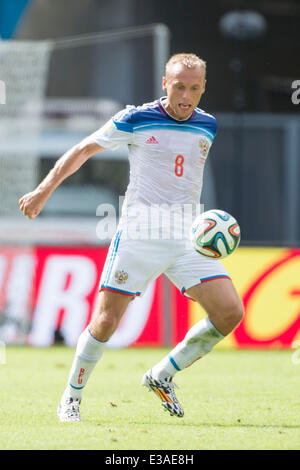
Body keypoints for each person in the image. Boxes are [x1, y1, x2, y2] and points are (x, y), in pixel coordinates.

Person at [19, 53, 244, 422]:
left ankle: (162, 375)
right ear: (164, 84)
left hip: (188, 239)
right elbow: (83, 149)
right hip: (140, 234)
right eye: (179, 87)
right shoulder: (135, 118)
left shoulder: (208, 125)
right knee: (106, 322)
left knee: (230, 312)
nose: (186, 96)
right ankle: (72, 397)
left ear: (204, 87)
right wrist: (44, 191)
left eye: (194, 88)